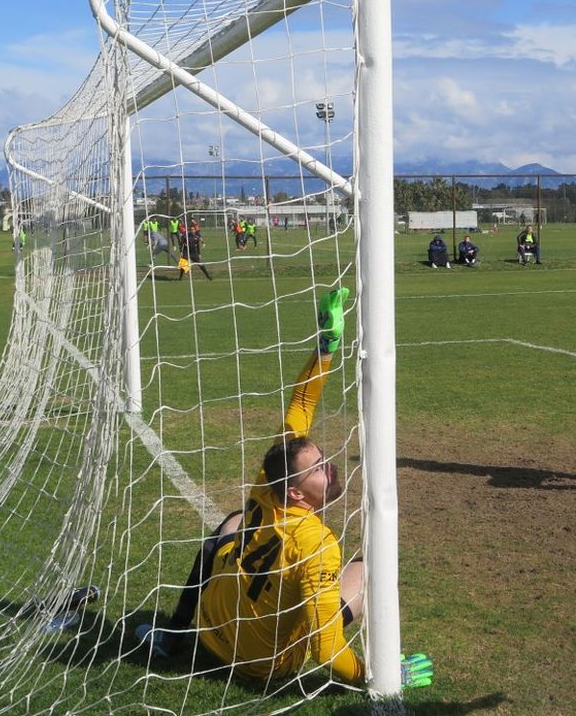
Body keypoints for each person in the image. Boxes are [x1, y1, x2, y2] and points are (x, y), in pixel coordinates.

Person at [135, 290, 434, 689]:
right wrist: (375, 677)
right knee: (369, 566)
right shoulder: (318, 543)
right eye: (318, 469)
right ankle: (372, 668)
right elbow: (324, 650)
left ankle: (175, 631)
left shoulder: (267, 481)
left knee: (234, 522)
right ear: (295, 493)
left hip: (211, 630)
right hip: (260, 667)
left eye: (324, 458)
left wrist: (325, 346)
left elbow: (302, 403)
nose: (330, 468)